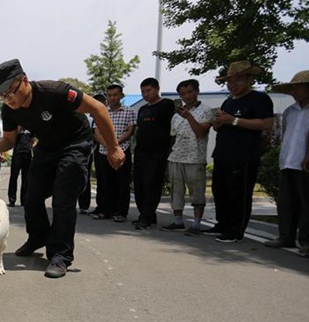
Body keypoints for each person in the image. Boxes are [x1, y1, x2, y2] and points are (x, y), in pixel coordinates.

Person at [0, 59, 125, 278]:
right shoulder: (10, 110)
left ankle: (60, 255)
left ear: (25, 81)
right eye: (2, 95)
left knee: (63, 197)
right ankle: (38, 236)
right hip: (47, 148)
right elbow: (9, 140)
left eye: (10, 92)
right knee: (31, 195)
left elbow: (98, 108)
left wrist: (114, 147)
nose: (8, 99)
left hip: (75, 143)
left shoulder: (54, 91)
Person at [205, 61, 274, 243]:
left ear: (250, 79)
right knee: (220, 191)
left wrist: (234, 121)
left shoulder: (259, 99)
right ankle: (222, 223)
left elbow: (266, 123)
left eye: (237, 81)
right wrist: (218, 123)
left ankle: (236, 230)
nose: (232, 85)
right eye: (229, 82)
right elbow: (223, 125)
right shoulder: (228, 101)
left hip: (243, 156)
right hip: (222, 153)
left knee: (239, 194)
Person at [264, 70, 309, 257]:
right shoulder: (289, 112)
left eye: (298, 87)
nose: (295, 91)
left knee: (307, 203)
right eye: (292, 88)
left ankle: (308, 242)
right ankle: (286, 236)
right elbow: (286, 135)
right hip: (288, 161)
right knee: (286, 202)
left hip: (307, 163)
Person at [159, 79, 215, 235]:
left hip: (195, 158)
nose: (187, 96)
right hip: (176, 157)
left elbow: (201, 132)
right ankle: (178, 221)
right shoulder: (176, 115)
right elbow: (173, 137)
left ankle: (196, 224)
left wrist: (189, 117)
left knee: (196, 192)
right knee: (176, 192)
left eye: (190, 92)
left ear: (197, 91)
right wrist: (169, 154)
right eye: (183, 93)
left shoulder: (205, 110)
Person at [133, 77, 175, 229]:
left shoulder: (167, 105)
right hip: (140, 153)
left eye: (148, 90)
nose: (146, 94)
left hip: (157, 154)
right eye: (143, 91)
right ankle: (147, 216)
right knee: (139, 186)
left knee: (152, 186)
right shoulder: (143, 109)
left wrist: (169, 150)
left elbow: (173, 129)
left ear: (157, 89)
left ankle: (146, 216)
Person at [90, 84, 135, 222]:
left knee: (122, 183)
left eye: (115, 95)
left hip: (122, 151)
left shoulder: (129, 111)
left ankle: (121, 212)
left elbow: (130, 130)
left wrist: (115, 144)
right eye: (109, 95)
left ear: (121, 95)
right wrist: (108, 145)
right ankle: (104, 210)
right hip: (104, 151)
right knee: (104, 182)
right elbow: (96, 131)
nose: (112, 98)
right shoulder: (102, 111)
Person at [79, 93, 107, 214]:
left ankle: (84, 205)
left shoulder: (90, 119)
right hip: (71, 152)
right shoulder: (68, 116)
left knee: (84, 177)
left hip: (86, 152)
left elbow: (94, 135)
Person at [8, 127, 33, 206]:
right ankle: (12, 200)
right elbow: (11, 138)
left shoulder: (30, 128)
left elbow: (33, 140)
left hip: (27, 154)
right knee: (13, 177)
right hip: (17, 154)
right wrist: (19, 128)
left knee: (26, 178)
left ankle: (24, 200)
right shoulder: (16, 127)